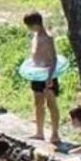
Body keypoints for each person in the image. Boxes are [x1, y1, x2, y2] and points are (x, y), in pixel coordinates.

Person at [24, 11, 61, 144]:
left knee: (51, 104)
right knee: (38, 103)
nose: (29, 28)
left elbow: (54, 59)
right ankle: (39, 132)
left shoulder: (47, 38)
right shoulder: (35, 36)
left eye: (29, 26)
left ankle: (55, 134)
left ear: (36, 24)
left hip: (48, 74)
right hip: (37, 74)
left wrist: (50, 77)